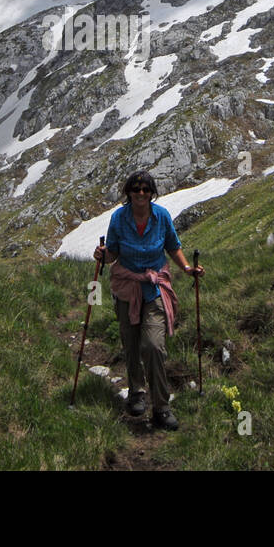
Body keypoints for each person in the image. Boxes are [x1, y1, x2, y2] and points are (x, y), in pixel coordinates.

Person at [93, 171, 203, 430]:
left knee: (153, 346)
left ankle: (162, 407)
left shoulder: (161, 216)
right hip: (127, 288)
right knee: (130, 344)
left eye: (145, 189)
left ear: (152, 193)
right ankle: (136, 394)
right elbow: (113, 254)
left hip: (154, 289)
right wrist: (103, 254)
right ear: (128, 192)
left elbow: (172, 246)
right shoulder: (119, 218)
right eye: (136, 189)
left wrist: (187, 269)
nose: (141, 194)